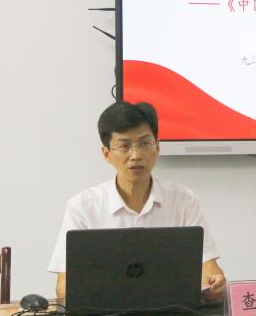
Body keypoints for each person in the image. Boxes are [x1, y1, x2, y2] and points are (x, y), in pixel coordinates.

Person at [47, 101, 225, 302]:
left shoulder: (183, 200)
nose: (136, 155)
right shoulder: (83, 207)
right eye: (124, 146)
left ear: (157, 146)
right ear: (106, 153)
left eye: (145, 143)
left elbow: (209, 268)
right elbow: (64, 287)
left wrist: (215, 284)